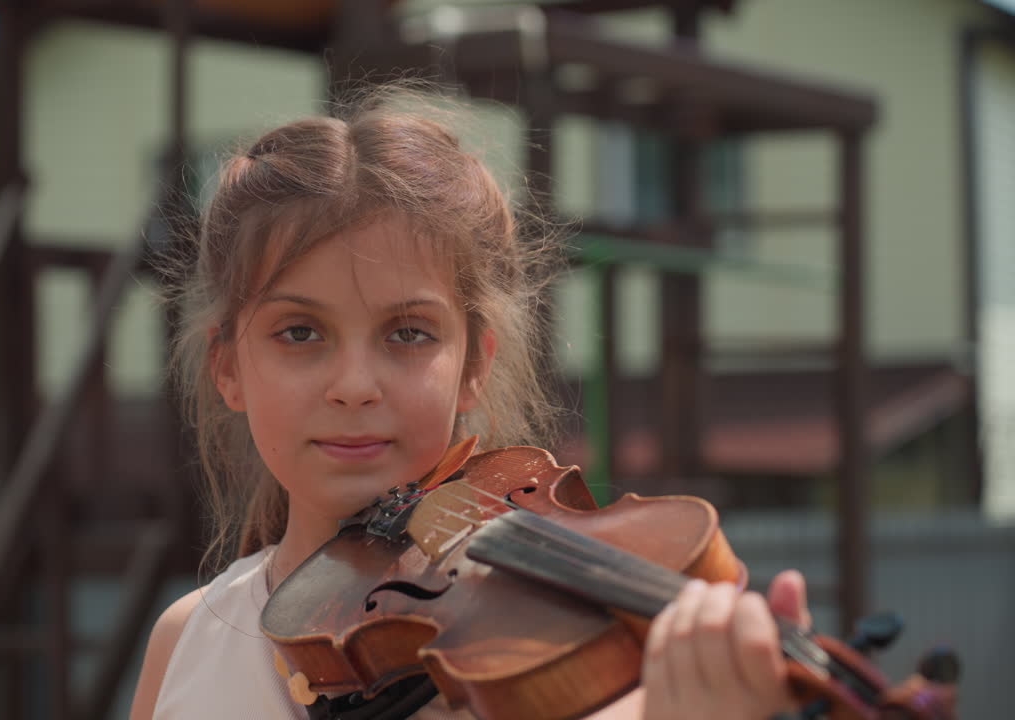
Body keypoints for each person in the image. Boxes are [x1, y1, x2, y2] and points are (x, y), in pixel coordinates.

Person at [129, 91, 810, 720]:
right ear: (228, 368)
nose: (355, 384)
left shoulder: (553, 667)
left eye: (408, 334)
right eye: (299, 333)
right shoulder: (187, 639)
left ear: (473, 367)